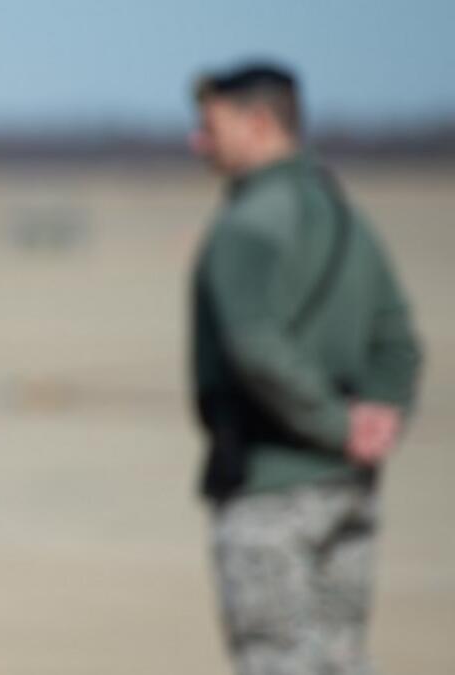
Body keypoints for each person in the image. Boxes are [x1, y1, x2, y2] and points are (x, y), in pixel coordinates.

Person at [188, 63, 423, 675]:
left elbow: (255, 346)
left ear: (259, 123)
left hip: (271, 489)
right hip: (352, 487)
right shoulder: (344, 216)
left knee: (278, 662)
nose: (198, 142)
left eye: (211, 126)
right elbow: (397, 340)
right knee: (344, 659)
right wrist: (378, 418)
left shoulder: (247, 226)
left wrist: (332, 424)